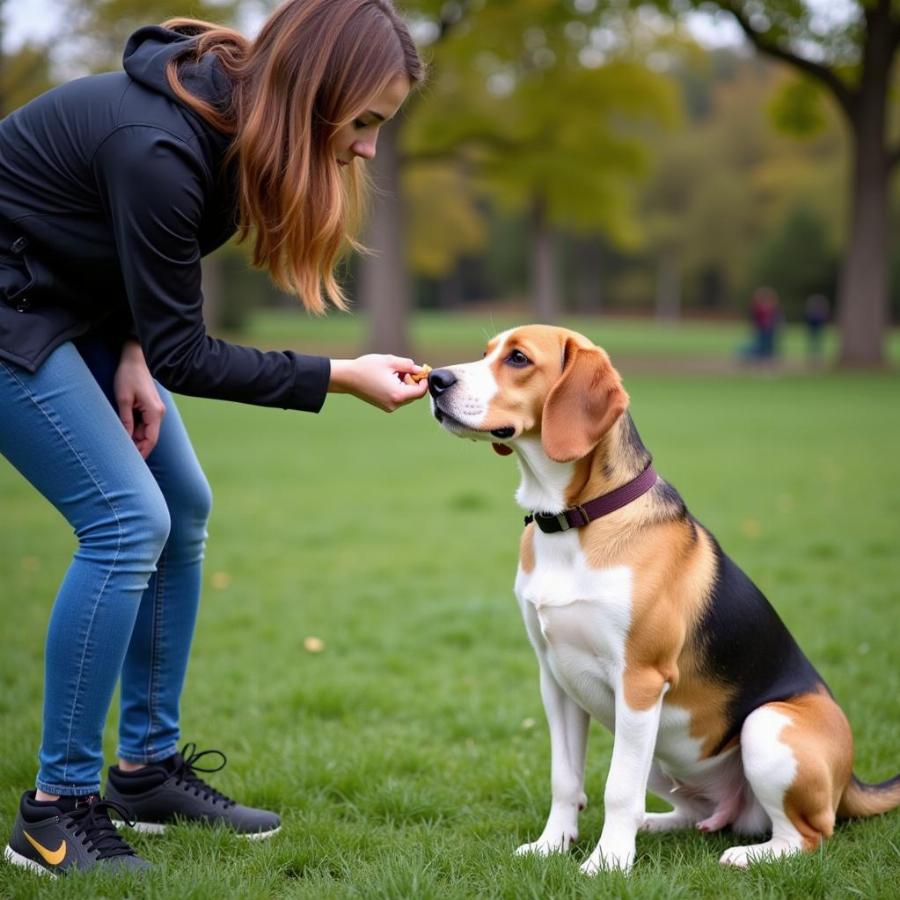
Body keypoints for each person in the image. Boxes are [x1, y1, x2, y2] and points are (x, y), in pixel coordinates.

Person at [0, 0, 425, 876]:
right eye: (367, 121)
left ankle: (146, 773)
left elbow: (124, 265)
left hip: (70, 305)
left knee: (181, 504)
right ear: (319, 93)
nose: (369, 148)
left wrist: (126, 349)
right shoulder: (160, 146)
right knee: (126, 522)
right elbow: (186, 355)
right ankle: (53, 812)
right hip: (10, 311)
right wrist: (340, 376)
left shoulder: (224, 129)